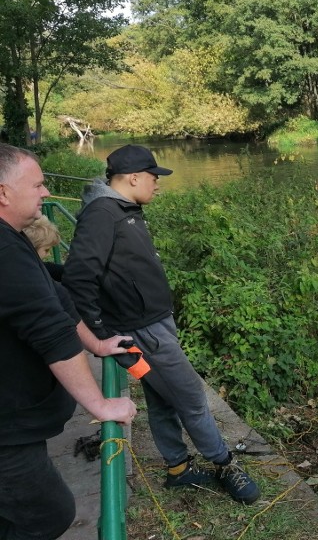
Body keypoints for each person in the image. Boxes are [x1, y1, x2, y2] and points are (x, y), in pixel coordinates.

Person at [62, 144, 260, 504]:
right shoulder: (104, 213)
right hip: (143, 331)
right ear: (133, 177)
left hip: (153, 324)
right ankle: (223, 463)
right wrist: (100, 334)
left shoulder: (124, 208)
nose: (157, 183)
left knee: (162, 399)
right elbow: (78, 276)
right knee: (191, 397)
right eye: (153, 177)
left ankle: (178, 469)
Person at [0, 143, 136, 539]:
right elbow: (50, 331)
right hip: (7, 430)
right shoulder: (3, 250)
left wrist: (96, 345)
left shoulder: (13, 238)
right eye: (39, 185)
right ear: (3, 192)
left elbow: (56, 298)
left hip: (17, 422)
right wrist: (99, 404)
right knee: (48, 515)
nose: (46, 193)